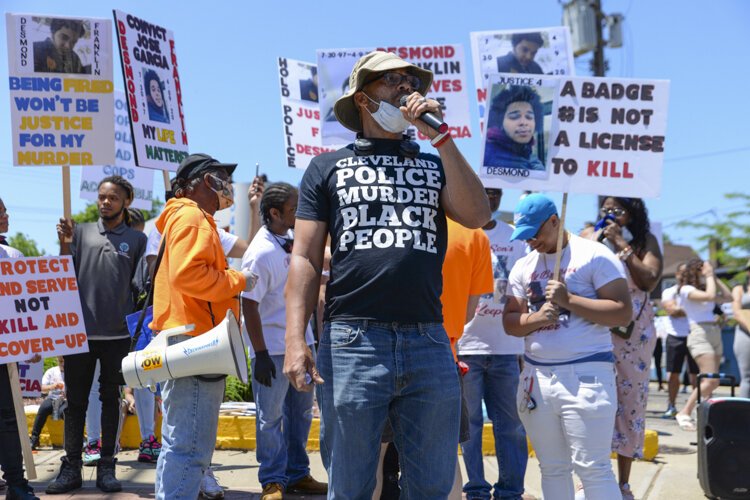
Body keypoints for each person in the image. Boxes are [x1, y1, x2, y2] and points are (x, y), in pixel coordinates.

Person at [284, 50, 491, 499]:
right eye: (392, 80)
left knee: (433, 486)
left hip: (429, 340)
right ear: (363, 99)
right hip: (352, 340)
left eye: (410, 80)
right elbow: (303, 257)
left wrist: (442, 138)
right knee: (353, 485)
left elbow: (477, 214)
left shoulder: (435, 161)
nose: (406, 88)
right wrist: (295, 340)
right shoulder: (327, 167)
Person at [503, 193, 632, 500]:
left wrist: (569, 300)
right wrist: (535, 318)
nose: (532, 241)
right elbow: (510, 322)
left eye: (536, 233)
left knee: (593, 469)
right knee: (552, 468)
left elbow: (623, 312)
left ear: (554, 220)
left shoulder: (595, 255)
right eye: (525, 236)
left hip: (587, 375)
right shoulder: (523, 264)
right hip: (536, 379)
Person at [151, 153, 256, 500]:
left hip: (187, 339)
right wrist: (238, 279)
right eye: (222, 178)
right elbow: (189, 275)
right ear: (207, 181)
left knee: (179, 443)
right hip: (197, 341)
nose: (228, 187)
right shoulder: (194, 218)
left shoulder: (188, 218)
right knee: (191, 446)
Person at [48, 177, 147, 494]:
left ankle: (107, 467)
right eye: (102, 197)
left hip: (117, 337)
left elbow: (141, 288)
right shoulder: (80, 232)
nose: (105, 202)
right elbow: (63, 275)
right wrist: (64, 244)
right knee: (74, 402)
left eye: (113, 198)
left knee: (111, 402)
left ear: (126, 201)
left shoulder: (137, 240)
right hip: (79, 335)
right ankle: (71, 468)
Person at [241, 183, 327, 500]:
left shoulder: (287, 243)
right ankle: (272, 480)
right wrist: (260, 353)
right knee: (270, 418)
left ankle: (297, 473)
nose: (299, 213)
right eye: (293, 209)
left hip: (300, 347)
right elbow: (247, 303)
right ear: (274, 213)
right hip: (273, 353)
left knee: (301, 415)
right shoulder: (260, 252)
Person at [457, 188, 529, 500]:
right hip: (467, 346)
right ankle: (475, 490)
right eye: (484, 192)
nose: (491, 199)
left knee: (511, 425)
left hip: (507, 348)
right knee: (469, 425)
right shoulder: (459, 233)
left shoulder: (517, 238)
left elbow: (527, 287)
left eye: (497, 193)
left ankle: (511, 491)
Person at [594, 197, 663, 500]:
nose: (610, 215)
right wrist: (599, 239)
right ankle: (593, 477)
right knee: (593, 400)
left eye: (617, 210)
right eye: (606, 209)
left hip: (633, 334)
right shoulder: (591, 237)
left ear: (632, 214)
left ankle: (623, 484)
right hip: (596, 327)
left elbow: (649, 280)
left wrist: (621, 243)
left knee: (630, 402)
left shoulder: (644, 240)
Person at [0, 197, 40, 499]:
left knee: (8, 418)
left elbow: (25, 307)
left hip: (4, 354)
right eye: (0, 213)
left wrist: (33, 340)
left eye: (4, 212)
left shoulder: (12, 256)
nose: (5, 217)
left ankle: (15, 482)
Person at [674, 258, 732, 431]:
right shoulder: (686, 289)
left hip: (714, 332)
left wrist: (713, 277)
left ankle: (705, 415)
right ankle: (684, 411)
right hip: (699, 333)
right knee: (709, 379)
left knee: (714, 382)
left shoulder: (706, 287)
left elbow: (728, 297)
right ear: (695, 272)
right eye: (703, 270)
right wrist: (708, 276)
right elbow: (710, 296)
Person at [661, 263, 699, 418]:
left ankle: (697, 406)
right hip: (674, 336)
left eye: (688, 273)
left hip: (694, 334)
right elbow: (672, 311)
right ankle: (672, 406)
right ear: (676, 274)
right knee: (673, 374)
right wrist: (694, 308)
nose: (684, 276)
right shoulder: (669, 291)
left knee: (696, 375)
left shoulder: (695, 291)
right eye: (682, 273)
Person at [483, 86, 544, 171]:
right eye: (514, 116)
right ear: (500, 122)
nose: (524, 122)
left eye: (529, 117)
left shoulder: (530, 155)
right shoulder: (486, 154)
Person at [30, 357, 67, 450]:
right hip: (52, 398)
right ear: (57, 361)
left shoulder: (72, 371)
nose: (62, 364)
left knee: (66, 412)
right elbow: (40, 387)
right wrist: (52, 386)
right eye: (61, 361)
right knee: (43, 409)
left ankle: (70, 440)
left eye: (64, 362)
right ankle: (34, 438)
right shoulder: (51, 371)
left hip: (66, 400)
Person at [731, 261, 750, 398]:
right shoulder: (739, 289)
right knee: (747, 377)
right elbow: (737, 312)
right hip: (745, 334)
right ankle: (745, 415)